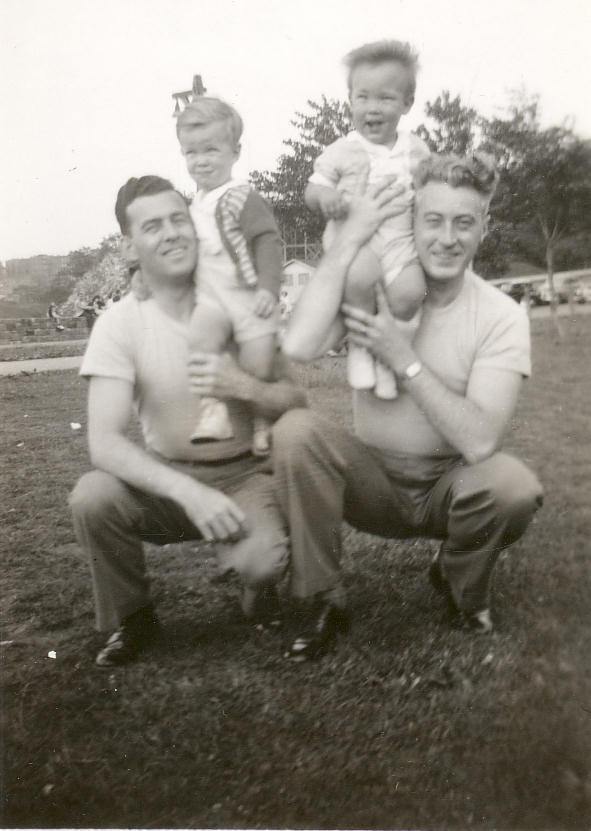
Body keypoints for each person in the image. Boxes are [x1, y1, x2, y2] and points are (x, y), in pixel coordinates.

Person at [277, 154, 544, 661]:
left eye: (464, 223)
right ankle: (324, 599)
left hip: (451, 484)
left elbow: (481, 439)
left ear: (483, 228)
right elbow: (299, 345)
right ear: (412, 222)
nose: (447, 238)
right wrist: (351, 238)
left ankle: (456, 578)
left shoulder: (502, 315)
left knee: (513, 485)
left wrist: (404, 360)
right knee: (295, 431)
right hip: (372, 480)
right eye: (434, 220)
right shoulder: (377, 288)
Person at [69, 175, 306, 668]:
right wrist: (190, 493)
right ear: (128, 245)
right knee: (94, 496)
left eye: (180, 219)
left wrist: (243, 387)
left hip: (245, 474)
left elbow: (294, 399)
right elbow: (105, 443)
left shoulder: (237, 303)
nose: (172, 233)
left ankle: (256, 588)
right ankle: (134, 618)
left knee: (262, 563)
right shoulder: (120, 321)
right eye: (153, 226)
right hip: (170, 476)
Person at [305, 40, 430, 399]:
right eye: (363, 98)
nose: (372, 109)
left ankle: (386, 357)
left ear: (407, 103)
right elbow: (312, 191)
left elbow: (430, 189)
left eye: (385, 98)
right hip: (355, 244)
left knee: (410, 292)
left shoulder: (417, 149)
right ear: (350, 101)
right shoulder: (342, 150)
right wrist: (326, 198)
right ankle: (359, 347)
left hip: (399, 242)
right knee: (360, 279)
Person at [174, 97, 283, 456]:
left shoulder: (241, 196)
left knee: (257, 362)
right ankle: (214, 410)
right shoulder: (193, 205)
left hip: (248, 297)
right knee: (200, 339)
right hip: (212, 297)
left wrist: (268, 287)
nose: (201, 160)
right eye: (191, 153)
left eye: (211, 150)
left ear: (235, 152)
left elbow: (266, 241)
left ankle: (263, 423)